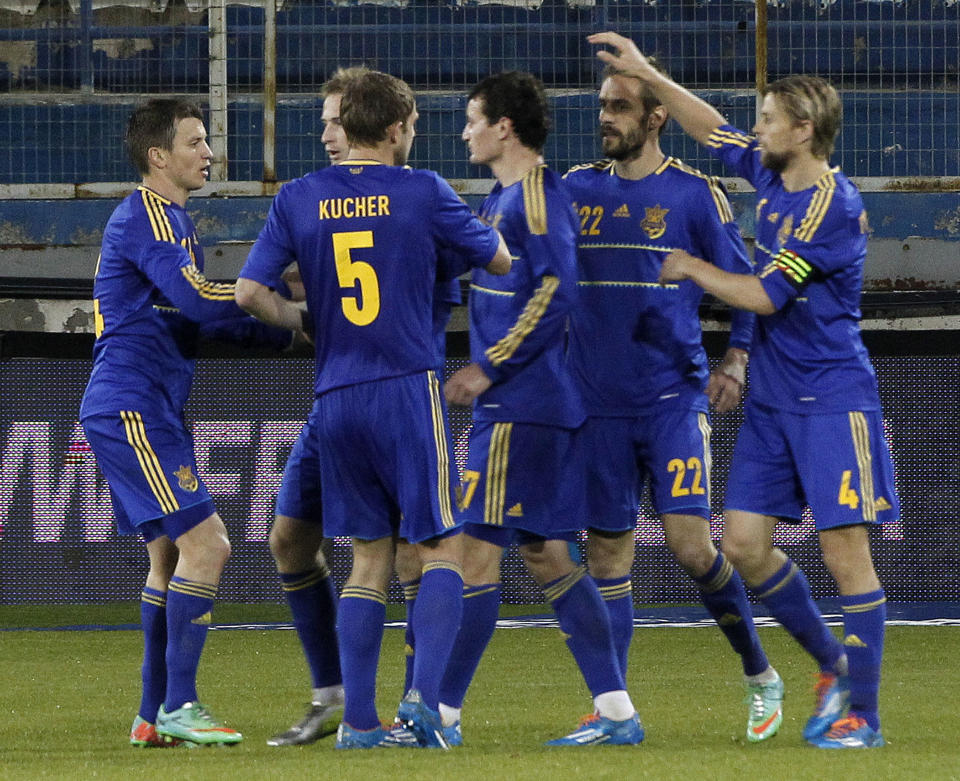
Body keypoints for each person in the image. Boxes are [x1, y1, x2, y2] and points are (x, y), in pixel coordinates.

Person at [590, 32, 898, 749]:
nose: (753, 130)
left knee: (846, 554)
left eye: (765, 120)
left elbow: (762, 295)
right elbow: (707, 126)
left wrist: (692, 267)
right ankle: (831, 664)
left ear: (803, 130)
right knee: (747, 545)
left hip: (833, 396)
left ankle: (867, 716)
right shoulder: (771, 178)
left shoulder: (830, 206)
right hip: (773, 401)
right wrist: (647, 72)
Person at [235, 68, 511, 750]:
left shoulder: (299, 198)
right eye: (411, 128)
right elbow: (500, 260)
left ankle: (358, 724)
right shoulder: (422, 190)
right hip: (404, 384)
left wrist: (302, 317)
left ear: (345, 125)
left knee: (367, 558)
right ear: (394, 130)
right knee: (441, 544)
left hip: (336, 394)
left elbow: (246, 292)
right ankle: (422, 707)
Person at [561, 62, 783, 742]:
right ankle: (613, 709)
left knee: (692, 546)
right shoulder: (574, 190)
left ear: (657, 116)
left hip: (670, 401)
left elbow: (743, 285)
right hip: (594, 405)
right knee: (606, 556)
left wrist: (737, 361)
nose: (606, 117)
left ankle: (759, 674)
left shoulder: (693, 197)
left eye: (621, 106)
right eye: (602, 104)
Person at [437, 70, 643, 748]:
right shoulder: (500, 198)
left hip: (520, 403)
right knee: (549, 552)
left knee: (472, 554)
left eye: (472, 118)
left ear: (503, 127)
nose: (464, 130)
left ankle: (437, 715)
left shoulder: (535, 196)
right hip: (535, 403)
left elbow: (558, 291)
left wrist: (488, 367)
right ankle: (616, 711)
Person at [79, 98, 290, 748]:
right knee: (211, 545)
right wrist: (270, 294)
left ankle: (151, 715)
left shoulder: (172, 223)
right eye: (197, 141)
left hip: (142, 405)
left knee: (170, 556)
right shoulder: (146, 215)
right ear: (158, 156)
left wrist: (281, 333)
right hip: (131, 403)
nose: (209, 152)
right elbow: (201, 299)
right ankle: (180, 703)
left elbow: (195, 319)